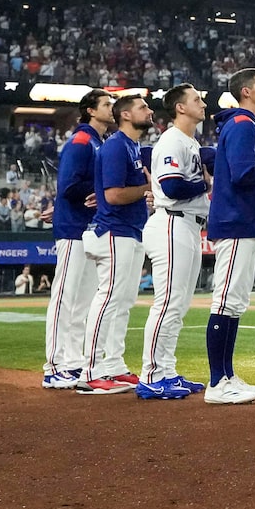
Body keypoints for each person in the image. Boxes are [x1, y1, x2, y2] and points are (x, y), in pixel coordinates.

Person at [205, 68, 255, 404]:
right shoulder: (242, 124)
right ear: (247, 91)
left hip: (242, 223)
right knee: (226, 300)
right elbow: (243, 173)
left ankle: (227, 375)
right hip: (236, 221)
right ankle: (217, 381)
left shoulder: (244, 124)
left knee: (234, 302)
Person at [137, 83, 211, 401]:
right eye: (196, 99)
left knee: (177, 305)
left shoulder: (190, 142)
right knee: (168, 302)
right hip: (172, 222)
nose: (202, 103)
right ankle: (151, 375)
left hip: (187, 226)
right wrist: (205, 181)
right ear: (180, 107)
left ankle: (166, 370)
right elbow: (172, 185)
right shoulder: (171, 140)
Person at [76, 95, 153, 395]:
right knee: (108, 298)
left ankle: (114, 365)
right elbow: (114, 195)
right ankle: (91, 370)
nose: (149, 112)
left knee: (123, 302)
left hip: (132, 230)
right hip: (115, 230)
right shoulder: (116, 146)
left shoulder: (131, 146)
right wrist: (149, 187)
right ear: (124, 115)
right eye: (142, 108)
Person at [42, 90, 112, 389]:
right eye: (107, 105)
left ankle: (72, 361)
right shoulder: (82, 140)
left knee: (81, 301)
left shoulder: (99, 141)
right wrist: (102, 188)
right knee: (65, 297)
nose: (112, 109)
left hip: (87, 227)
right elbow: (68, 185)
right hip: (73, 227)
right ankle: (55, 365)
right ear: (90, 110)